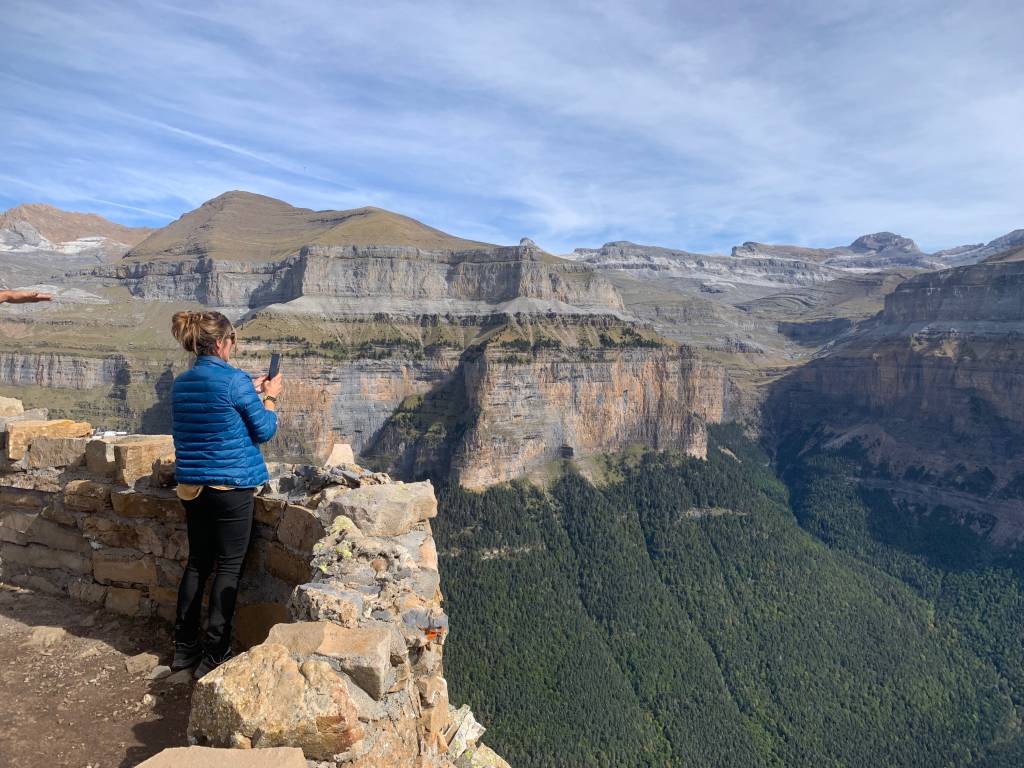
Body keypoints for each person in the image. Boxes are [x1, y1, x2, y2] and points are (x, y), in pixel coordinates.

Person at [168, 310, 283, 677]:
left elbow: (211, 412)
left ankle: (184, 649)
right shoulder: (234, 382)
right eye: (233, 340)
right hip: (230, 487)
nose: (234, 346)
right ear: (221, 343)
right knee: (228, 568)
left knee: (197, 564)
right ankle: (215, 653)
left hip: (191, 487)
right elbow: (263, 430)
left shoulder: (181, 383)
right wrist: (270, 398)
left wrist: (249, 389)